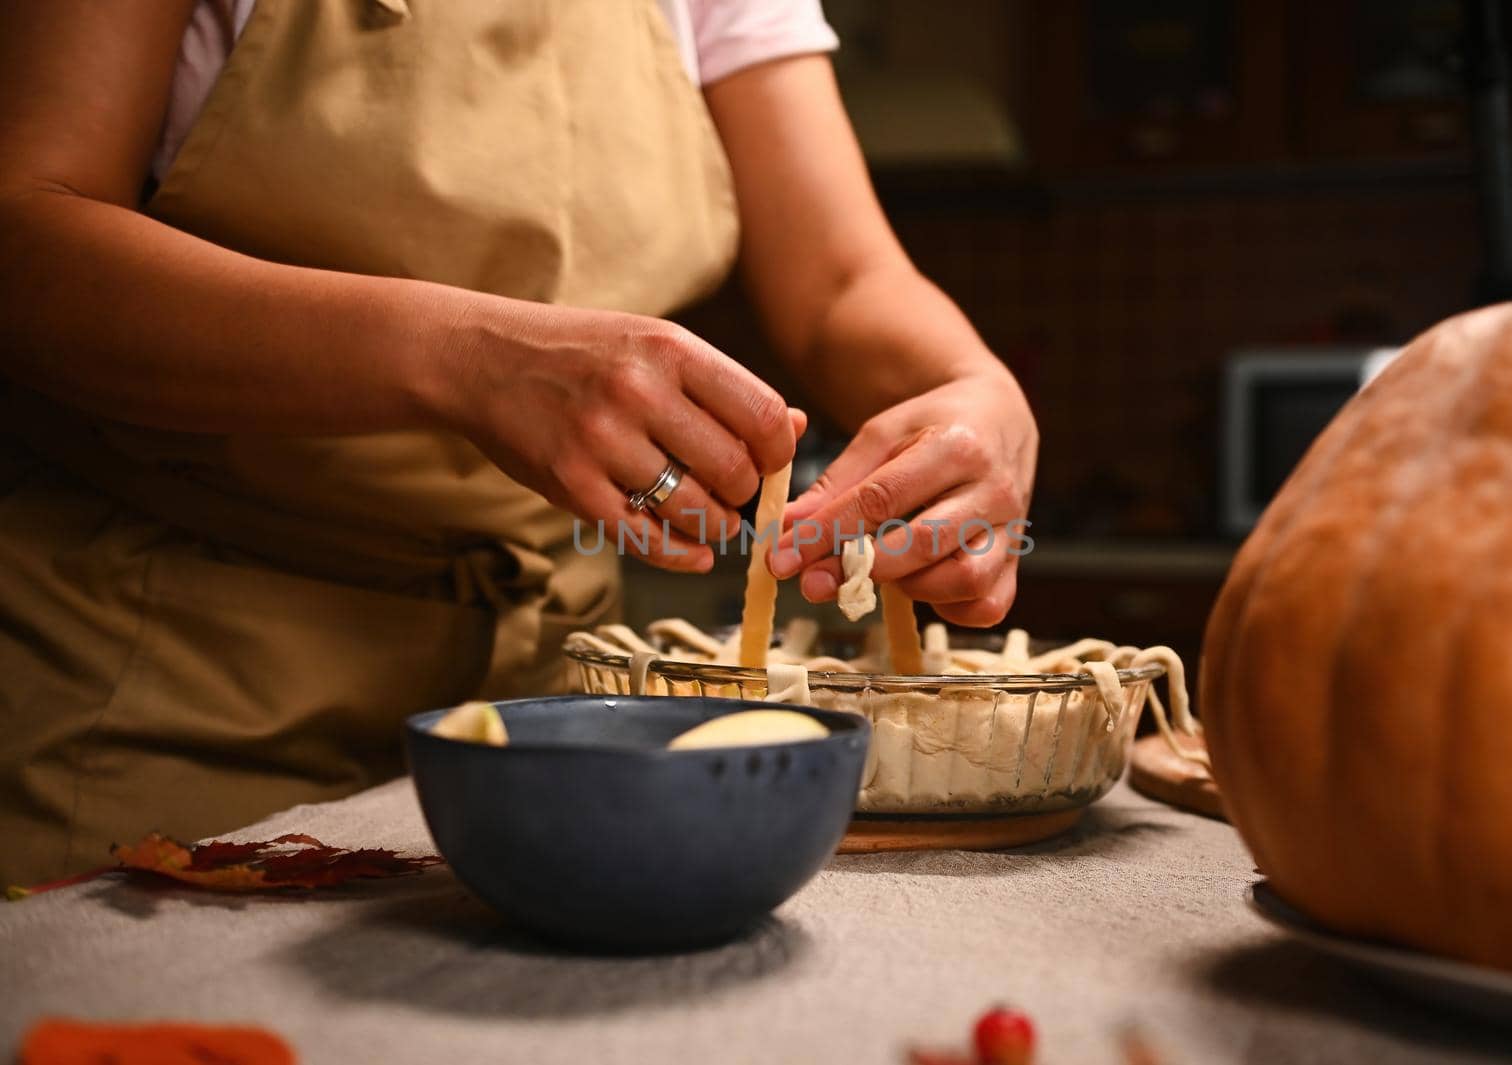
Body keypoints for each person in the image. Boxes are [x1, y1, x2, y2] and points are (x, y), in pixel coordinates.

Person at [0, 0, 1038, 886]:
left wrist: (975, 390)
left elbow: (842, 285)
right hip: (170, 678)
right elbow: (25, 237)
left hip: (549, 701)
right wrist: (465, 356)